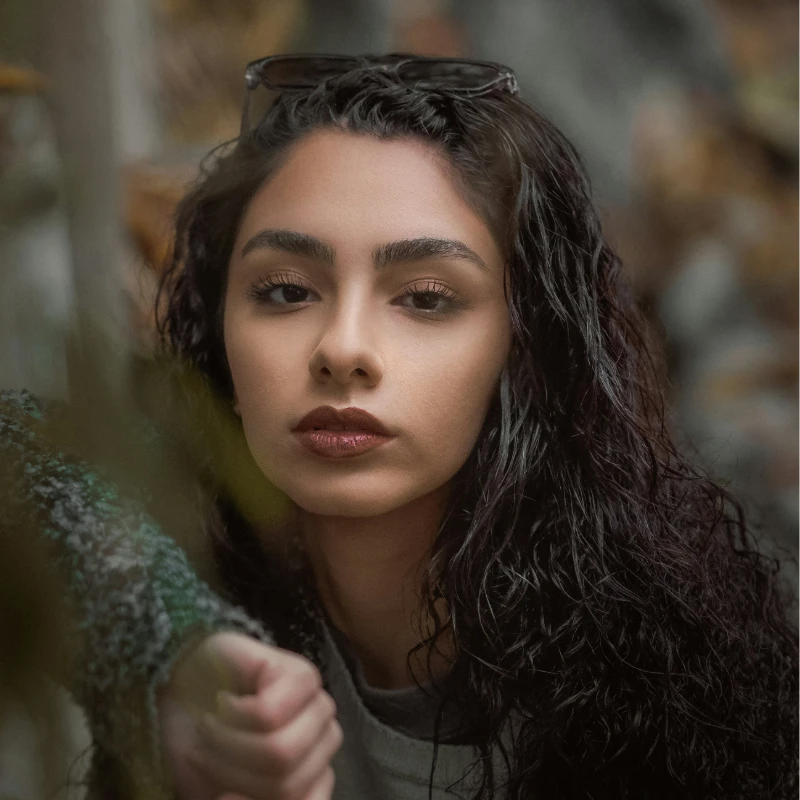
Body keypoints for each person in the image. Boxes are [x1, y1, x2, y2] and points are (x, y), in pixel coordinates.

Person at [2, 52, 799, 800]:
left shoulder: (666, 658)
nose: (343, 348)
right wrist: (170, 649)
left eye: (425, 297)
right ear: (218, 335)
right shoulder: (182, 534)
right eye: (284, 291)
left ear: (522, 348)